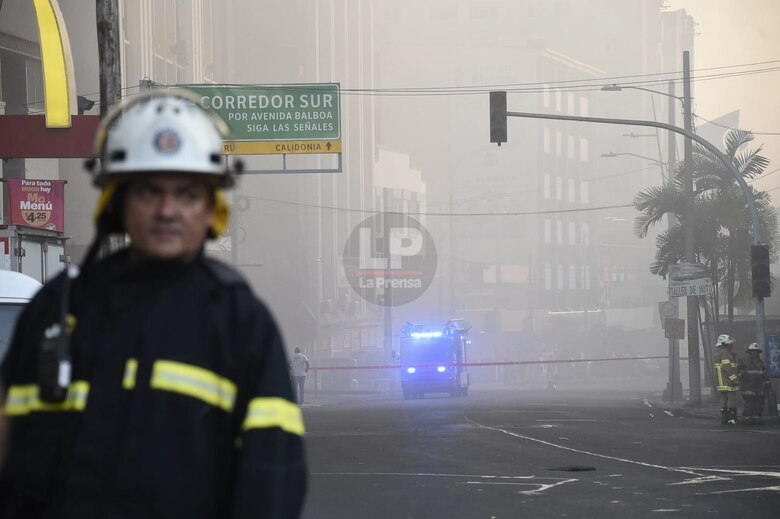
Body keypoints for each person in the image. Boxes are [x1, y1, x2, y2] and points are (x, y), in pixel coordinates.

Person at [0, 91, 307, 518]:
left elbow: (272, 480)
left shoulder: (241, 323)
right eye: (148, 191)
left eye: (187, 194)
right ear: (117, 203)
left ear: (211, 209)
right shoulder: (55, 310)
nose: (167, 210)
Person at [738, 342, 771, 425]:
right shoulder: (744, 361)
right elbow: (738, 373)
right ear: (749, 352)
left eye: (756, 351)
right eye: (753, 351)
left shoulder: (761, 363)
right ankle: (747, 420)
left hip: (759, 389)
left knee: (759, 405)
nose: (755, 353)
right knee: (749, 405)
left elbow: (764, 375)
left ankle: (757, 419)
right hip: (748, 388)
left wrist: (767, 384)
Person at [713, 334, 740, 425]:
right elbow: (727, 368)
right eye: (730, 344)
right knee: (732, 399)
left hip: (721, 382)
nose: (731, 346)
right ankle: (732, 418)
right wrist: (735, 380)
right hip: (728, 381)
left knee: (723, 399)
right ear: (725, 344)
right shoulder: (725, 354)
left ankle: (724, 418)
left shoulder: (719, 354)